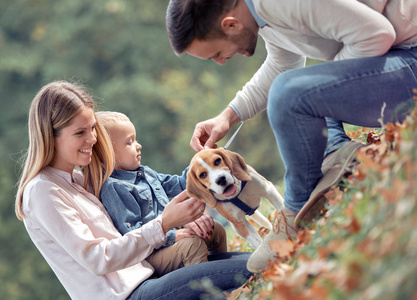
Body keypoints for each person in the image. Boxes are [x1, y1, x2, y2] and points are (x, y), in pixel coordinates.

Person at [166, 0, 417, 272]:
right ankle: (337, 154)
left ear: (231, 24)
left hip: (409, 57)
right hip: (398, 61)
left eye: (216, 52)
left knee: (292, 92)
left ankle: (294, 210)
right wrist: (227, 116)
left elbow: (376, 34)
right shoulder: (260, 15)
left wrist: (320, 85)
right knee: (300, 87)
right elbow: (282, 64)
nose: (222, 60)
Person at [14, 81, 252, 300]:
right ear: (50, 136)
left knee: (258, 261)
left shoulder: (79, 180)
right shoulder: (42, 191)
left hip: (151, 276)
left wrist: (180, 222)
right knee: (249, 269)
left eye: (93, 128)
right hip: (130, 294)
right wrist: (164, 224)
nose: (94, 139)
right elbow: (99, 258)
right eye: (80, 133)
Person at [96, 111, 227, 277]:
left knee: (216, 230)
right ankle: (210, 291)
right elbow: (131, 233)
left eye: (135, 139)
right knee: (192, 246)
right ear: (108, 154)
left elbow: (180, 184)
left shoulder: (146, 173)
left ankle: (226, 275)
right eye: (129, 143)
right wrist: (172, 235)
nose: (138, 145)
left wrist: (202, 159)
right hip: (152, 255)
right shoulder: (114, 188)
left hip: (176, 235)